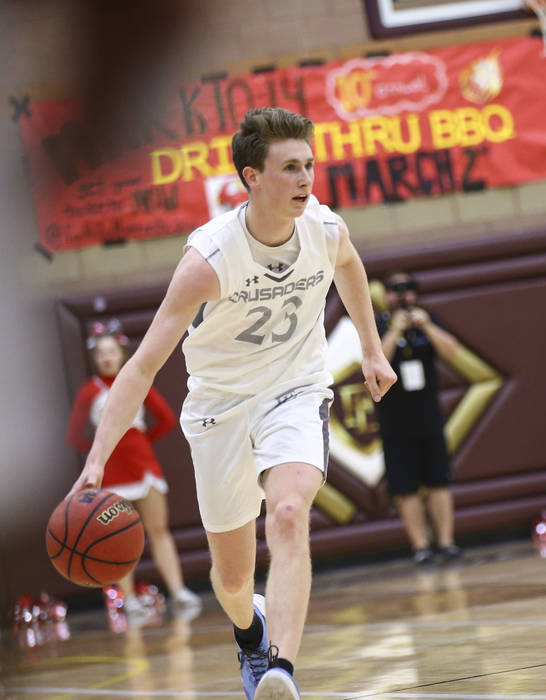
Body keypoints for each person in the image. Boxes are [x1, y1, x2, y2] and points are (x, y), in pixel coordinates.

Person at [68, 107, 397, 700]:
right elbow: (142, 366)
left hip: (295, 389)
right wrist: (96, 461)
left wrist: (371, 350)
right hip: (218, 409)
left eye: (309, 166)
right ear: (252, 177)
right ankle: (250, 635)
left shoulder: (325, 229)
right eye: (290, 168)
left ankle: (281, 671)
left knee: (290, 513)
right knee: (233, 579)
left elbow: (349, 266)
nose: (305, 179)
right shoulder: (209, 260)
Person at [66, 320, 201, 617]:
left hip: (144, 468)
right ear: (94, 358)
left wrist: (140, 440)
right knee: (118, 538)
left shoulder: (135, 381)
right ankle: (128, 600)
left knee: (159, 530)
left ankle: (178, 590)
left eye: (111, 351)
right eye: (101, 353)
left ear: (122, 354)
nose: (106, 358)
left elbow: (166, 418)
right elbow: (74, 435)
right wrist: (102, 451)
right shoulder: (89, 392)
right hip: (111, 474)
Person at [375, 272, 463, 566]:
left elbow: (452, 351)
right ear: (385, 294)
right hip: (394, 421)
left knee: (439, 481)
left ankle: (447, 542)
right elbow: (377, 361)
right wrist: (395, 331)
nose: (403, 295)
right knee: (405, 487)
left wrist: (425, 325)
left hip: (429, 417)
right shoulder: (378, 325)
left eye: (409, 288)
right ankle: (421, 546)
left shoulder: (428, 320)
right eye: (396, 289)